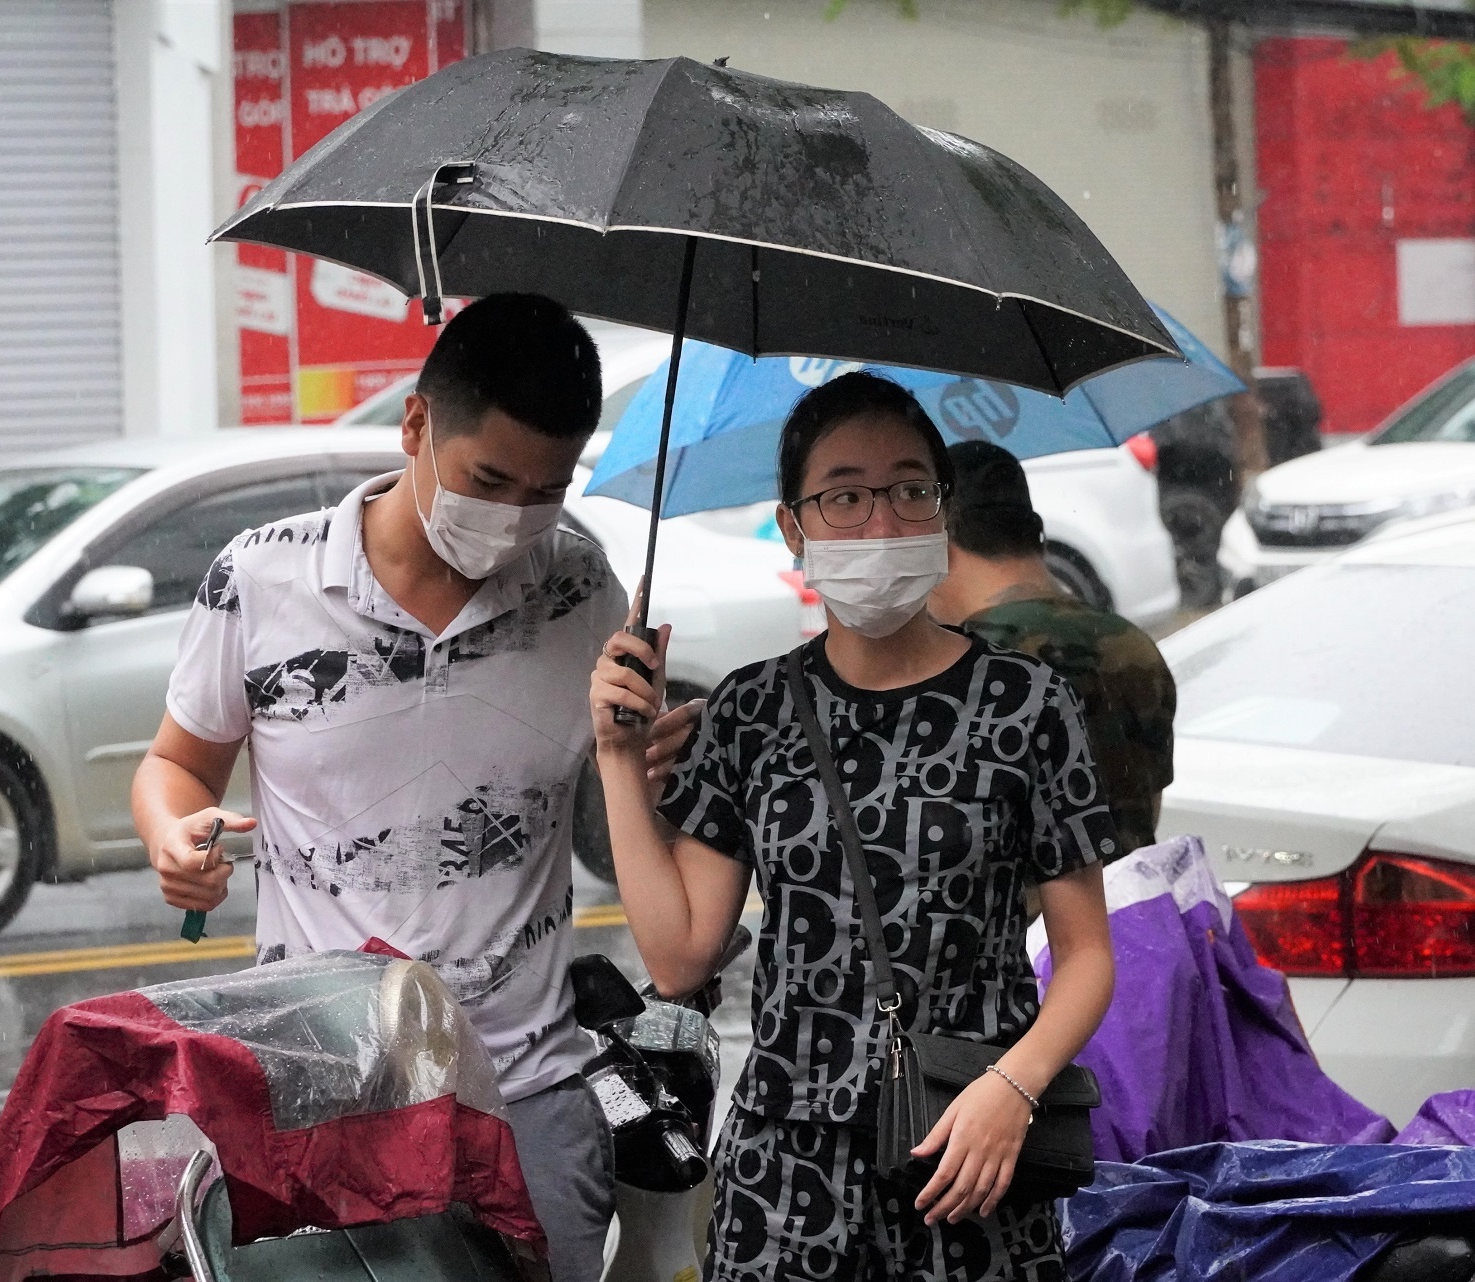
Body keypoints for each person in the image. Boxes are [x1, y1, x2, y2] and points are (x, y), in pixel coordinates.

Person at [130, 293, 695, 1282]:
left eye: (545, 491)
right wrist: (179, 837)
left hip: (527, 1093)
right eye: (489, 480)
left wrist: (642, 766)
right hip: (318, 1088)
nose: (515, 519)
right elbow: (177, 763)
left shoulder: (581, 590)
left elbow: (612, 833)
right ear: (415, 427)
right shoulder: (261, 581)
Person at [589, 373, 1117, 1282]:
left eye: (911, 489)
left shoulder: (1026, 704)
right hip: (785, 1179)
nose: (882, 523)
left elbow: (1089, 956)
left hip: (972, 1157)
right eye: (844, 497)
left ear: (943, 508)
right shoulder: (752, 710)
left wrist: (1014, 1086)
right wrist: (614, 760)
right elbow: (680, 959)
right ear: (793, 526)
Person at [929, 440, 1175, 859]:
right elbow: (1144, 814)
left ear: (938, 545)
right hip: (1126, 913)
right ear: (1036, 533)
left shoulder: (962, 670)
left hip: (1025, 925)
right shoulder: (1133, 646)